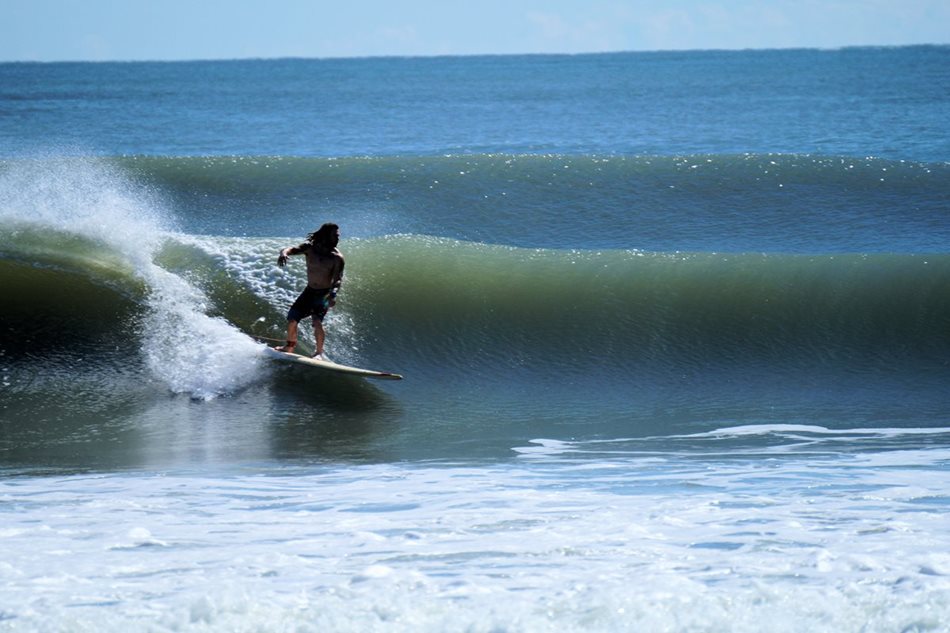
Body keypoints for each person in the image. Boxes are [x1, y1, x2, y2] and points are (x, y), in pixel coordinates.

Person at [274, 223, 345, 360]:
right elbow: (291, 249)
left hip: (324, 294)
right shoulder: (310, 248)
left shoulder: (337, 258)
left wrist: (333, 294)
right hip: (309, 292)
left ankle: (319, 353)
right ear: (325, 235)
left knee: (317, 322)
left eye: (338, 236)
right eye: (335, 235)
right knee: (292, 319)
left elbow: (337, 280)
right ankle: (289, 346)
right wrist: (284, 253)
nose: (337, 238)